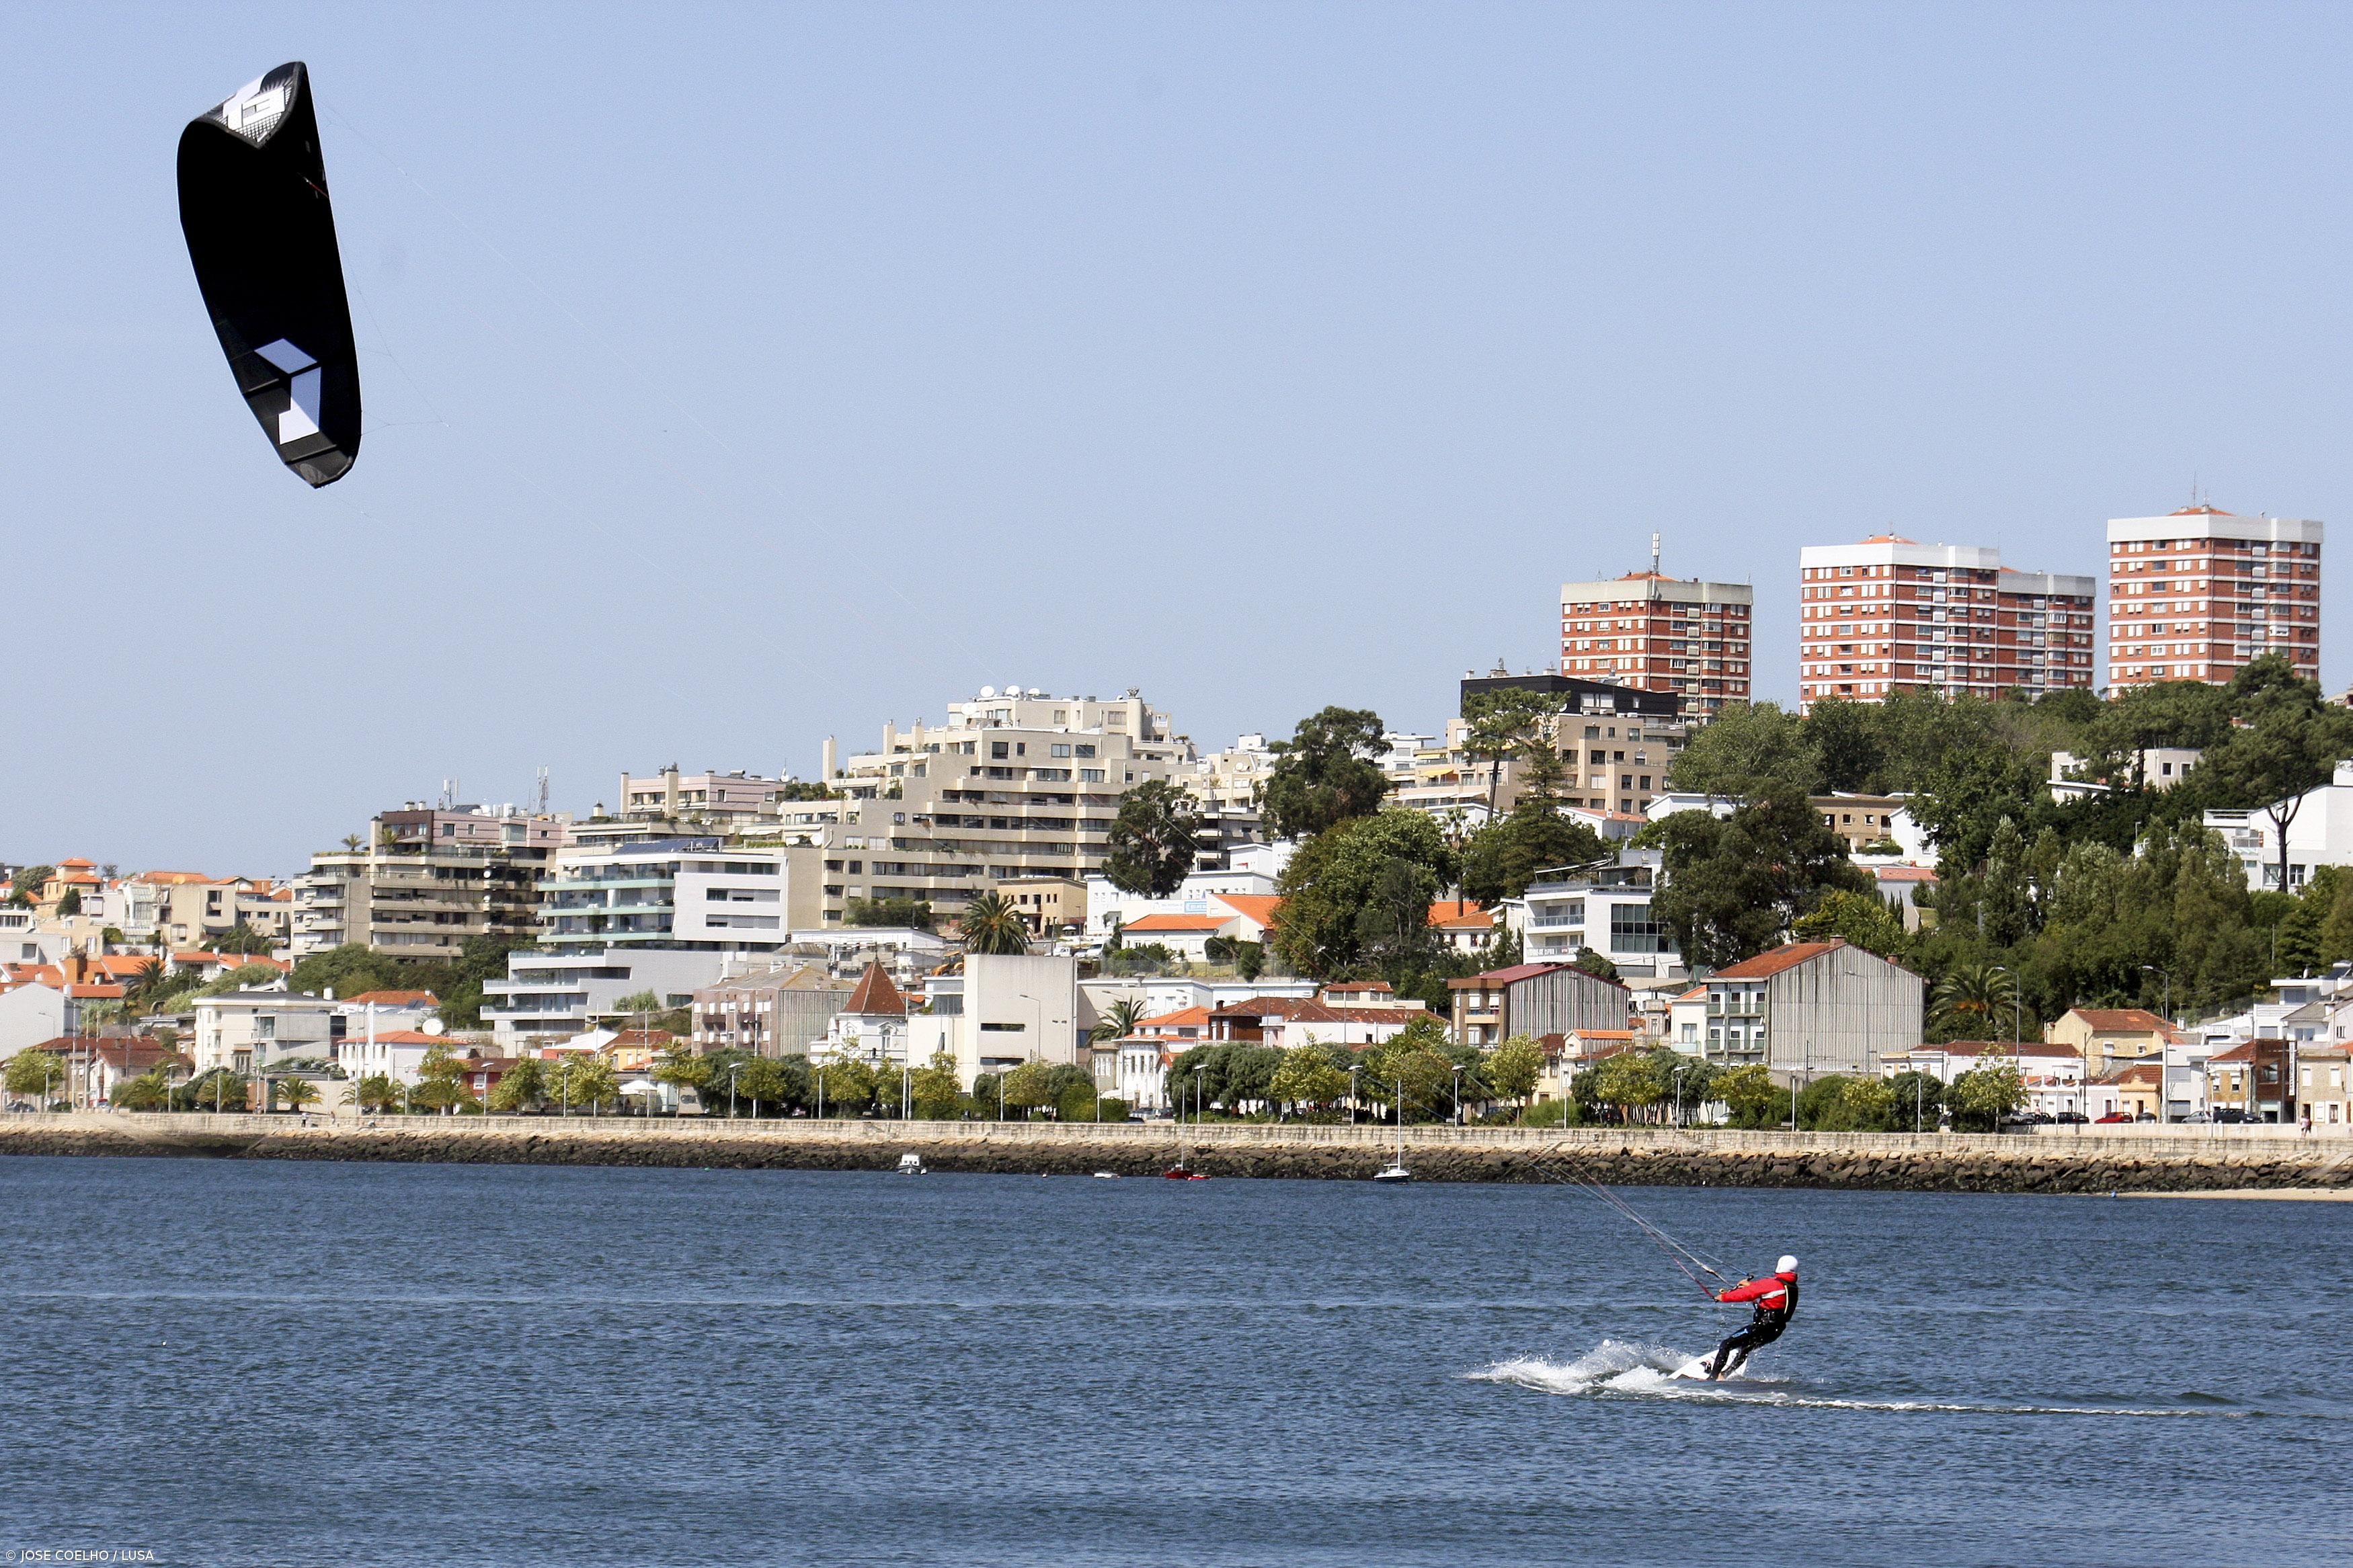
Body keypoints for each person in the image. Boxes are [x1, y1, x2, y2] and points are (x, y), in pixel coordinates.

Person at [1706, 1255, 1799, 1380]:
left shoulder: (1772, 1284)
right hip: (1776, 1331)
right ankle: (1724, 1375)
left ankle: (1712, 1378)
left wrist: (1723, 1297)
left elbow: (1747, 1295)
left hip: (1761, 1328)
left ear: (1780, 1266)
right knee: (1745, 1349)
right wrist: (1751, 1285)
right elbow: (1767, 1291)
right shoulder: (1791, 1287)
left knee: (1726, 1345)